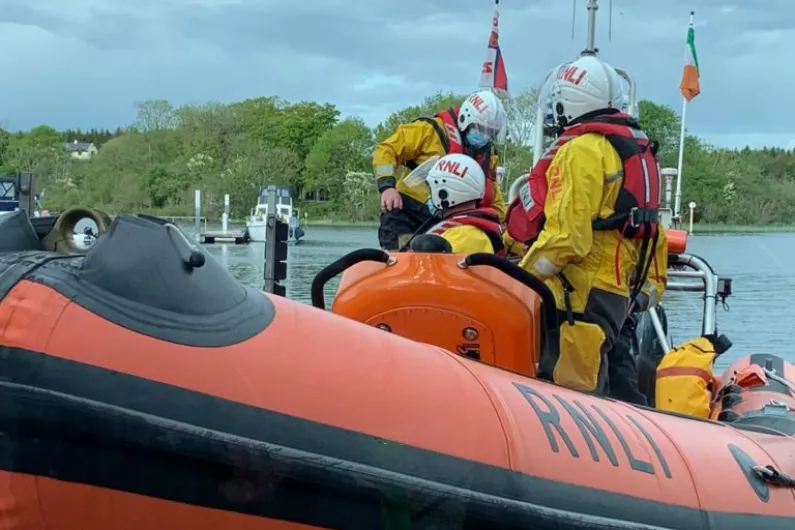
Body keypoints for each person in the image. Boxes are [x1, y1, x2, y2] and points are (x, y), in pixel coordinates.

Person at [504, 54, 664, 395]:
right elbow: (654, 233)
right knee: (602, 380)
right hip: (617, 292)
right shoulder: (635, 151)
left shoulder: (581, 151)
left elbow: (567, 239)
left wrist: (519, 279)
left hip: (580, 295)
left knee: (573, 394)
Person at [372, 90, 508, 250]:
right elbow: (386, 150)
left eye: (490, 132)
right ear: (465, 119)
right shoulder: (430, 131)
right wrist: (387, 187)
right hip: (407, 213)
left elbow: (495, 202)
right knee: (401, 260)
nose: (484, 136)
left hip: (448, 225)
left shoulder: (486, 159)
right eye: (481, 129)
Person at [418, 153, 505, 255]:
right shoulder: (467, 230)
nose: (429, 196)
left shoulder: (465, 236)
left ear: (444, 194)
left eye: (431, 190)